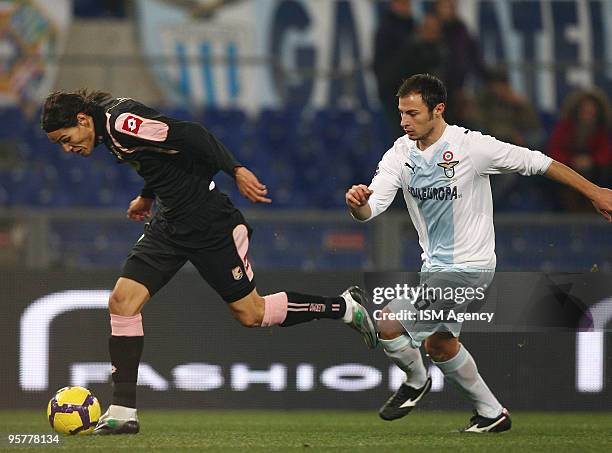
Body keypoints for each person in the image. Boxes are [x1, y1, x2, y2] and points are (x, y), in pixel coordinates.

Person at [40, 90, 378, 435]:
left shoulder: (121, 124)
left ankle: (344, 307)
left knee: (252, 313)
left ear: (82, 120)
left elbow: (190, 135)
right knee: (122, 302)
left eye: (66, 139)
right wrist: (147, 195)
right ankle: (123, 411)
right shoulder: (109, 130)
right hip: (169, 224)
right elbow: (161, 157)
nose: (68, 149)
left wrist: (236, 169)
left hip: (208, 223)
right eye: (60, 145)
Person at [345, 74, 612, 432]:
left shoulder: (472, 147)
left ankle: (415, 381)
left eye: (413, 113)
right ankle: (491, 413)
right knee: (440, 345)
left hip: (471, 267)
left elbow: (537, 161)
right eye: (401, 114)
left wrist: (594, 191)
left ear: (438, 109)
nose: (405, 121)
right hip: (434, 267)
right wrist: (358, 205)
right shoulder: (400, 154)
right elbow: (372, 207)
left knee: (388, 324)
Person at [548, 88, 611, 210]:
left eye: (591, 112)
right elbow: (554, 150)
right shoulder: (565, 127)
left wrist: (591, 160)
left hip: (594, 170)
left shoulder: (601, 130)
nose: (588, 115)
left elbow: (605, 153)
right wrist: (571, 160)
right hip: (567, 166)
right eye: (585, 111)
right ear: (577, 111)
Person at [373, 0, 417, 141]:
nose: (406, 6)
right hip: (393, 91)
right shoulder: (386, 28)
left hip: (411, 91)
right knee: (400, 135)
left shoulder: (412, 26)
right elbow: (381, 64)